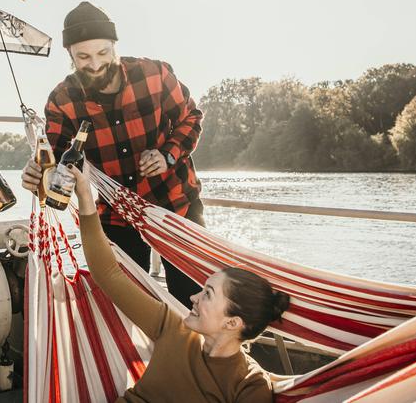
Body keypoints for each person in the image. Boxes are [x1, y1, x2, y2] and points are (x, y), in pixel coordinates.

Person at [21, 1, 205, 308]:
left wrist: (167, 155)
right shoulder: (62, 99)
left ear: (114, 46)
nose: (94, 64)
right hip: (117, 212)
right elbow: (54, 156)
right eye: (83, 56)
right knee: (123, 304)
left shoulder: (155, 74)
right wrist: (38, 172)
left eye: (102, 53)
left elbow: (192, 117)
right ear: (70, 56)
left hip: (175, 202)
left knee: (192, 301)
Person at [68, 163, 290, 402]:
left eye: (207, 294)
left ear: (232, 322)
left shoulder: (249, 384)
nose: (193, 297)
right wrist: (84, 195)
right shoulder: (173, 327)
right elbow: (108, 273)